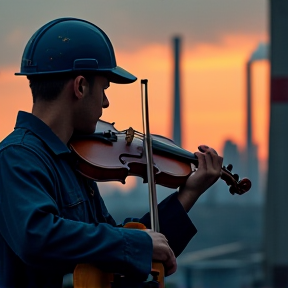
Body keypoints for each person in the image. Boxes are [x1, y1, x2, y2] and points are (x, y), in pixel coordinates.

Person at [0, 17, 223, 288]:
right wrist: (133, 244)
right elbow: (36, 236)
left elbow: (114, 246)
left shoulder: (75, 162)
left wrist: (188, 193)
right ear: (80, 86)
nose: (106, 102)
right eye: (104, 88)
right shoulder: (17, 156)